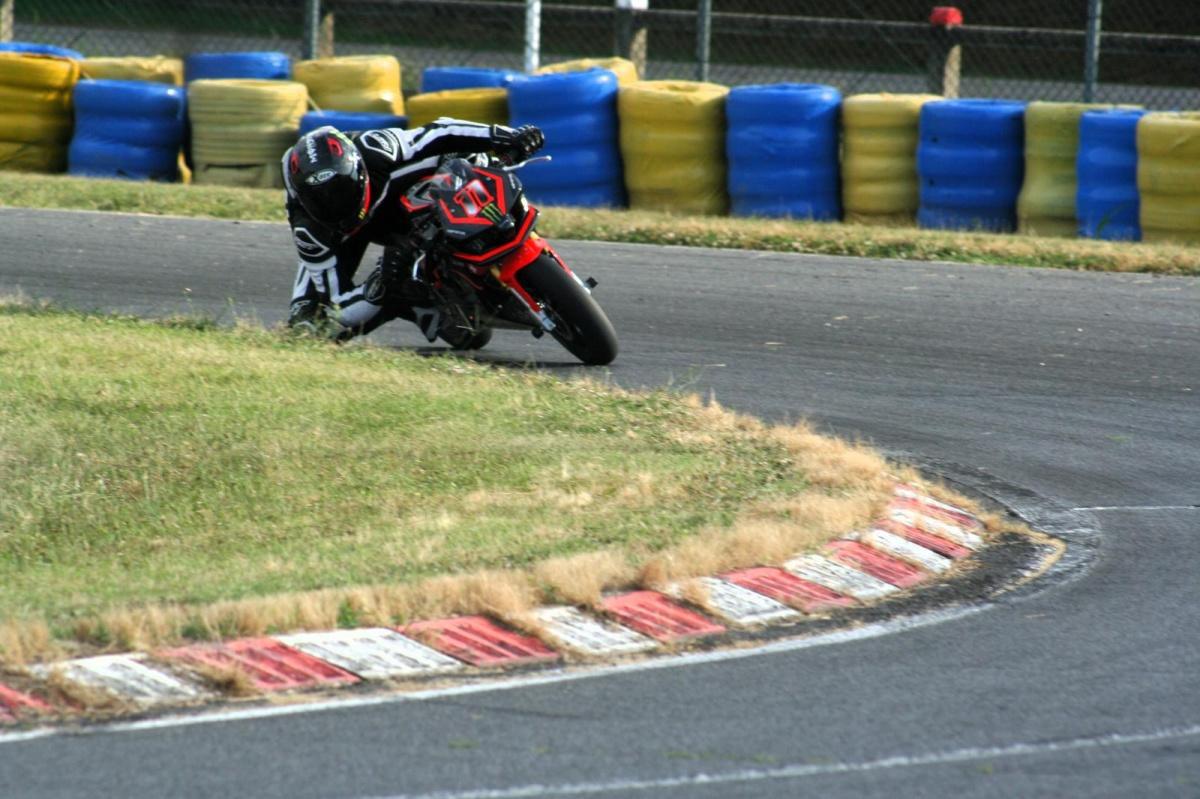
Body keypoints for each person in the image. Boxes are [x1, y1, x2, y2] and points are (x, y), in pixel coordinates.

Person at [282, 118, 545, 344]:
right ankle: (416, 304)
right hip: (355, 236)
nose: (334, 204)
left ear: (358, 172)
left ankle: (498, 232)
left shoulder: (377, 148)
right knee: (307, 326)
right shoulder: (308, 227)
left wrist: (506, 136)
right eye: (321, 200)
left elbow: (442, 131)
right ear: (304, 200)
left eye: (339, 192)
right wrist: (380, 284)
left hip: (414, 193)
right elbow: (336, 301)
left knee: (474, 162)